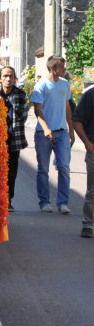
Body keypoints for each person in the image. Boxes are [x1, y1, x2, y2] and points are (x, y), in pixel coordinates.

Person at [32, 55, 75, 214]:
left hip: (62, 132)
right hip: (43, 134)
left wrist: (71, 130)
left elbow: (68, 108)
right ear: (53, 68)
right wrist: (45, 128)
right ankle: (44, 202)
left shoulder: (65, 84)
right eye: (61, 67)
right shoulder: (41, 85)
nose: (64, 69)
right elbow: (37, 109)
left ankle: (63, 203)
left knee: (64, 167)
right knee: (43, 169)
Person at [0, 66, 29, 212]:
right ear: (0, 79)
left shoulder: (20, 94)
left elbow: (24, 115)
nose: (8, 79)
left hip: (13, 139)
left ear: (15, 78)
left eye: (11, 76)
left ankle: (8, 200)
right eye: (5, 76)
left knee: (11, 171)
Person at [73, 84, 94, 238]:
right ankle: (88, 223)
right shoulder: (90, 95)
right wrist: (86, 142)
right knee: (93, 190)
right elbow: (77, 120)